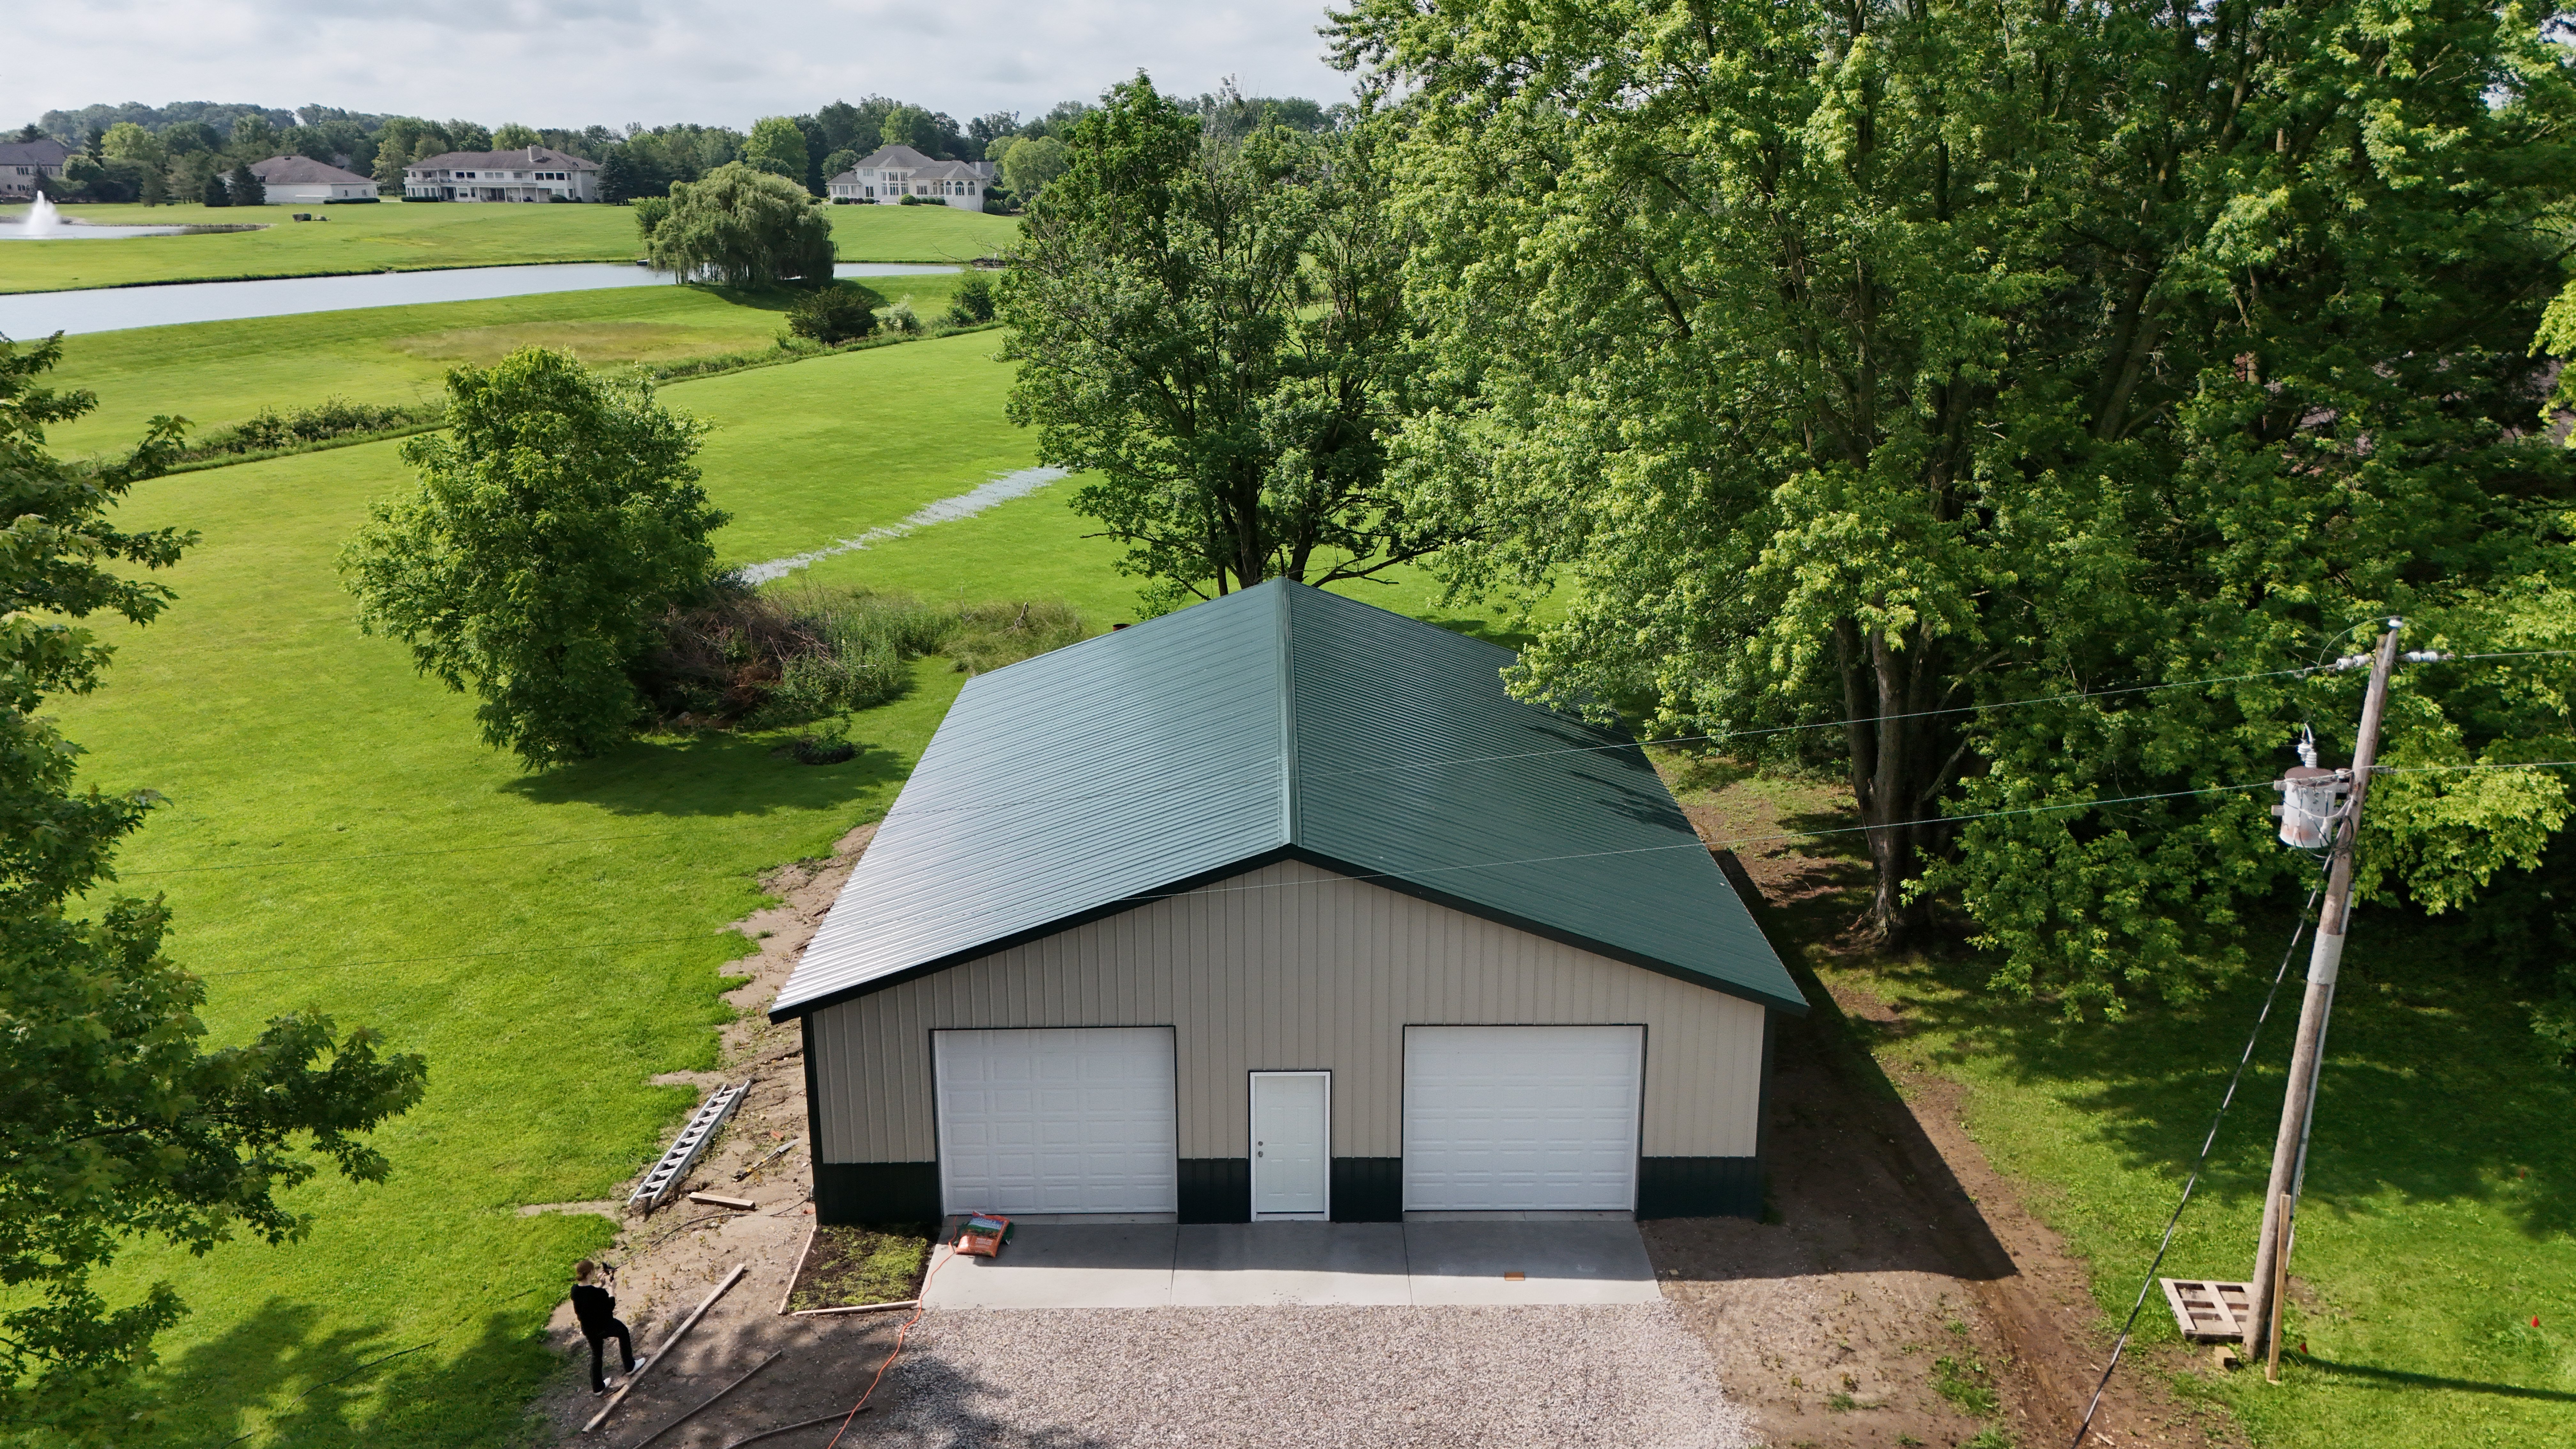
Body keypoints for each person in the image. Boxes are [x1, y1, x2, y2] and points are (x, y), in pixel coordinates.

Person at [570, 1260, 640, 1395]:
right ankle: (630, 1366)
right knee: (623, 1332)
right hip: (604, 1326)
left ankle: (598, 1388)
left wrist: (601, 1285)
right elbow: (609, 1307)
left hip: (589, 1329)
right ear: (590, 1274)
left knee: (597, 1354)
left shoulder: (575, 1291)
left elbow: (590, 1299)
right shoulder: (598, 1294)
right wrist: (611, 1289)